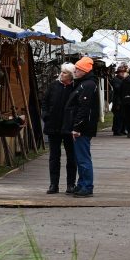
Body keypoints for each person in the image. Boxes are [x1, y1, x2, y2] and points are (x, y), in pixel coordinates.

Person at [64, 56, 100, 197]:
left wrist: (77, 127)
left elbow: (83, 108)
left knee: (83, 158)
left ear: (84, 70)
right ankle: (82, 183)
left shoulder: (88, 85)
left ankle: (87, 186)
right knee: (80, 158)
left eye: (78, 69)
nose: (75, 71)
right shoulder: (84, 84)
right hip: (82, 126)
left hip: (83, 128)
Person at [42, 62, 77, 194]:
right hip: (53, 125)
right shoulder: (53, 86)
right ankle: (53, 184)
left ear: (71, 75)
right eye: (61, 72)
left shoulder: (75, 87)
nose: (61, 74)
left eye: (65, 73)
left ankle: (70, 184)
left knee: (71, 156)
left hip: (69, 127)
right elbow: (44, 101)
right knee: (54, 156)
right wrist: (45, 115)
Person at [110, 65, 127, 136]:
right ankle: (117, 130)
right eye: (121, 72)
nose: (122, 73)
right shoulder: (115, 79)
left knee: (123, 116)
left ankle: (122, 129)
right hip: (117, 100)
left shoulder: (123, 79)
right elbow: (117, 88)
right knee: (118, 117)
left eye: (123, 72)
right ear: (118, 73)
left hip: (123, 100)